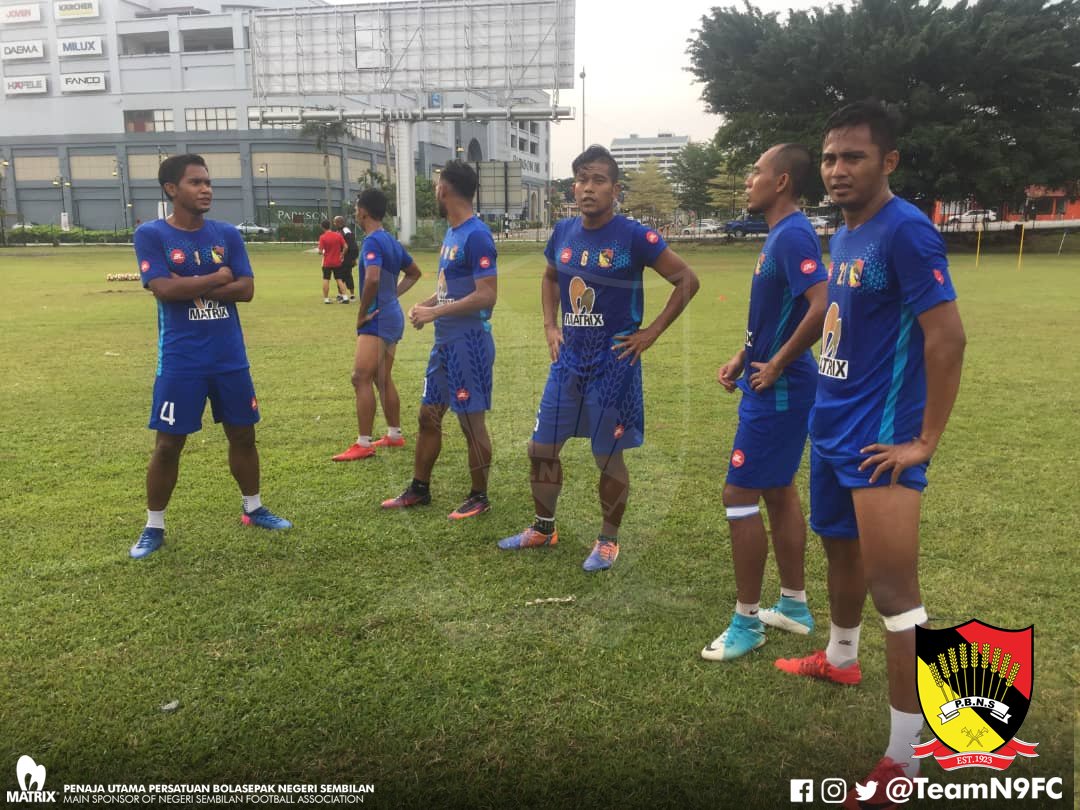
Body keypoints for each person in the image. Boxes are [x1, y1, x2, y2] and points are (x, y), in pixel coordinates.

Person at [771, 101, 965, 808]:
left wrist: (923, 442)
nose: (838, 169)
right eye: (829, 158)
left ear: (888, 162)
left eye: (853, 157)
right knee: (839, 550)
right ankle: (841, 659)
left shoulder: (907, 231)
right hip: (831, 425)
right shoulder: (846, 232)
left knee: (897, 598)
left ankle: (903, 764)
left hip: (881, 443)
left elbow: (948, 338)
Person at [498, 145, 699, 571]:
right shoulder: (564, 232)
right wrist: (550, 326)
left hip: (613, 367)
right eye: (581, 180)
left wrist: (652, 332)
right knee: (541, 447)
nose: (587, 189)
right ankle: (543, 527)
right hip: (568, 363)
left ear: (615, 189)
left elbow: (686, 279)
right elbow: (551, 277)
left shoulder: (634, 236)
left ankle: (608, 539)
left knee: (607, 455)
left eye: (598, 180)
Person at [130, 153, 292, 560]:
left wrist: (195, 284)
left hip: (229, 357)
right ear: (171, 189)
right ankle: (154, 526)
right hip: (181, 361)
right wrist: (219, 277)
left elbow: (247, 290)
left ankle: (253, 507)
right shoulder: (151, 234)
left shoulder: (226, 235)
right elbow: (163, 289)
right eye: (195, 182)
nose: (206, 189)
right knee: (168, 445)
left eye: (208, 182)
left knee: (243, 434)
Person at [700, 143, 828, 661]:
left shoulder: (793, 232)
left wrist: (775, 365)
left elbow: (822, 303)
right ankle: (793, 607)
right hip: (773, 381)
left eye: (756, 172)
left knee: (738, 493)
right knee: (778, 490)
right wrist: (744, 355)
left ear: (780, 182)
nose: (749, 180)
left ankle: (746, 622)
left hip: (779, 389)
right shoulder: (780, 235)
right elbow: (780, 313)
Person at [381, 161, 498, 519]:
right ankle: (420, 488)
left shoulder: (477, 234)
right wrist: (427, 304)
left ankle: (479, 495)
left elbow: (487, 295)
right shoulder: (453, 233)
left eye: (436, 185)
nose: (434, 191)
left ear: (445, 189)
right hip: (445, 344)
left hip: (470, 343)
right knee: (428, 416)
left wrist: (435, 313)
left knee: (470, 423)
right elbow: (450, 291)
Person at [333, 189, 422, 461]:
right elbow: (414, 272)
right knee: (382, 378)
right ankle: (394, 435)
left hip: (377, 319)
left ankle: (363, 443)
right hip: (391, 316)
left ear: (364, 212)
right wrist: (392, 297)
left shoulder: (372, 242)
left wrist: (362, 313)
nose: (355, 213)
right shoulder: (391, 241)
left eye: (357, 208)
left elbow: (371, 279)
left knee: (360, 377)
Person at [317, 219, 349, 304]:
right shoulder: (338, 235)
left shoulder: (322, 237)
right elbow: (346, 246)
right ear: (330, 226)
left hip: (327, 262)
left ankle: (326, 299)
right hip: (337, 261)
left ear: (322, 227)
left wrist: (323, 252)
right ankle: (345, 297)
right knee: (339, 279)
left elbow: (320, 251)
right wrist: (342, 254)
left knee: (326, 279)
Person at [334, 215, 358, 301]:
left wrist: (353, 258)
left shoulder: (346, 231)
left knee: (346, 275)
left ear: (338, 223)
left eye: (335, 222)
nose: (334, 223)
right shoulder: (338, 231)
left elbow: (353, 246)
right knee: (341, 275)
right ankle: (341, 294)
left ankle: (351, 295)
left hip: (347, 257)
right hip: (341, 257)